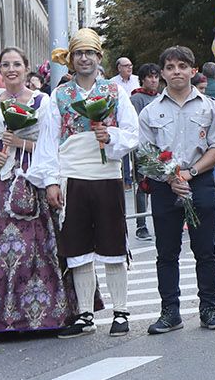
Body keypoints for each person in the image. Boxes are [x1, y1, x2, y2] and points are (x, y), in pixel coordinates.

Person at [0, 47, 74, 336]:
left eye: (17, 64)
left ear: (25, 68)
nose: (11, 69)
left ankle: (37, 315)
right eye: (6, 64)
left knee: (33, 248)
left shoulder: (42, 101)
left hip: (29, 177)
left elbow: (49, 144)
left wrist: (20, 143)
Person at [34, 28, 142, 337]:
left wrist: (112, 137)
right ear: (70, 59)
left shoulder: (114, 91)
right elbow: (48, 141)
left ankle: (120, 311)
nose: (84, 58)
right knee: (77, 247)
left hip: (106, 174)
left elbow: (132, 133)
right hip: (72, 175)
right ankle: (84, 314)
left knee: (112, 244)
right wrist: (51, 181)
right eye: (79, 53)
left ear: (99, 57)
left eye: (90, 53)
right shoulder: (60, 95)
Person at [137, 46, 215, 334]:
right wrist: (168, 178)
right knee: (166, 252)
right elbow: (144, 154)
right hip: (164, 187)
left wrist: (190, 173)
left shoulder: (210, 106)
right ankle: (170, 312)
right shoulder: (151, 112)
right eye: (170, 67)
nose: (176, 71)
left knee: (205, 250)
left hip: (199, 182)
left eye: (182, 66)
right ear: (162, 73)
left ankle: (208, 308)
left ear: (193, 71)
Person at [127, 61, 162, 239]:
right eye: (150, 77)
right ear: (142, 80)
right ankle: (141, 225)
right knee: (143, 185)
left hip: (162, 147)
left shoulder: (162, 97)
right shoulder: (136, 99)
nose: (154, 80)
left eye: (156, 76)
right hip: (144, 148)